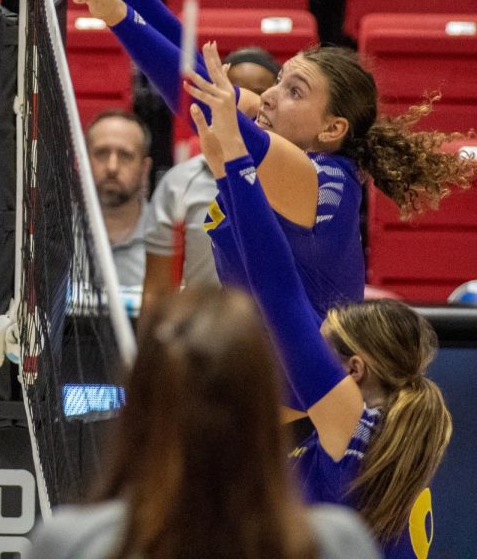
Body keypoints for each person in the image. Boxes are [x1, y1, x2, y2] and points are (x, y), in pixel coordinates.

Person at [46, 0, 473, 340]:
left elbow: (202, 97)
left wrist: (119, 17)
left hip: (312, 406)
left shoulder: (325, 183)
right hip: (251, 388)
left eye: (293, 91)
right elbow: (192, 62)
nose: (268, 96)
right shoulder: (280, 144)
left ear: (333, 129)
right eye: (280, 81)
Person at [186, 42, 458, 557]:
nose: (311, 346)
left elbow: (280, 293)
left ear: (353, 370)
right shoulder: (364, 440)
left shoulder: (348, 433)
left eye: (323, 342)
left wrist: (233, 168)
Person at [29, 287, 382, 559]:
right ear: (263, 414)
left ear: (140, 407)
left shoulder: (70, 542)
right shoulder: (337, 543)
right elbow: (280, 291)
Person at [139, 46, 279, 315]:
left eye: (258, 96)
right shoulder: (180, 182)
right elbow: (156, 292)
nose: (240, 110)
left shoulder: (294, 178)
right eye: (232, 92)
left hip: (274, 345)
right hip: (201, 344)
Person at [86, 109, 152, 288]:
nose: (112, 167)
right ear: (82, 161)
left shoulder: (165, 238)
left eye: (125, 156)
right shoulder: (56, 236)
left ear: (144, 168)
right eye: (101, 153)